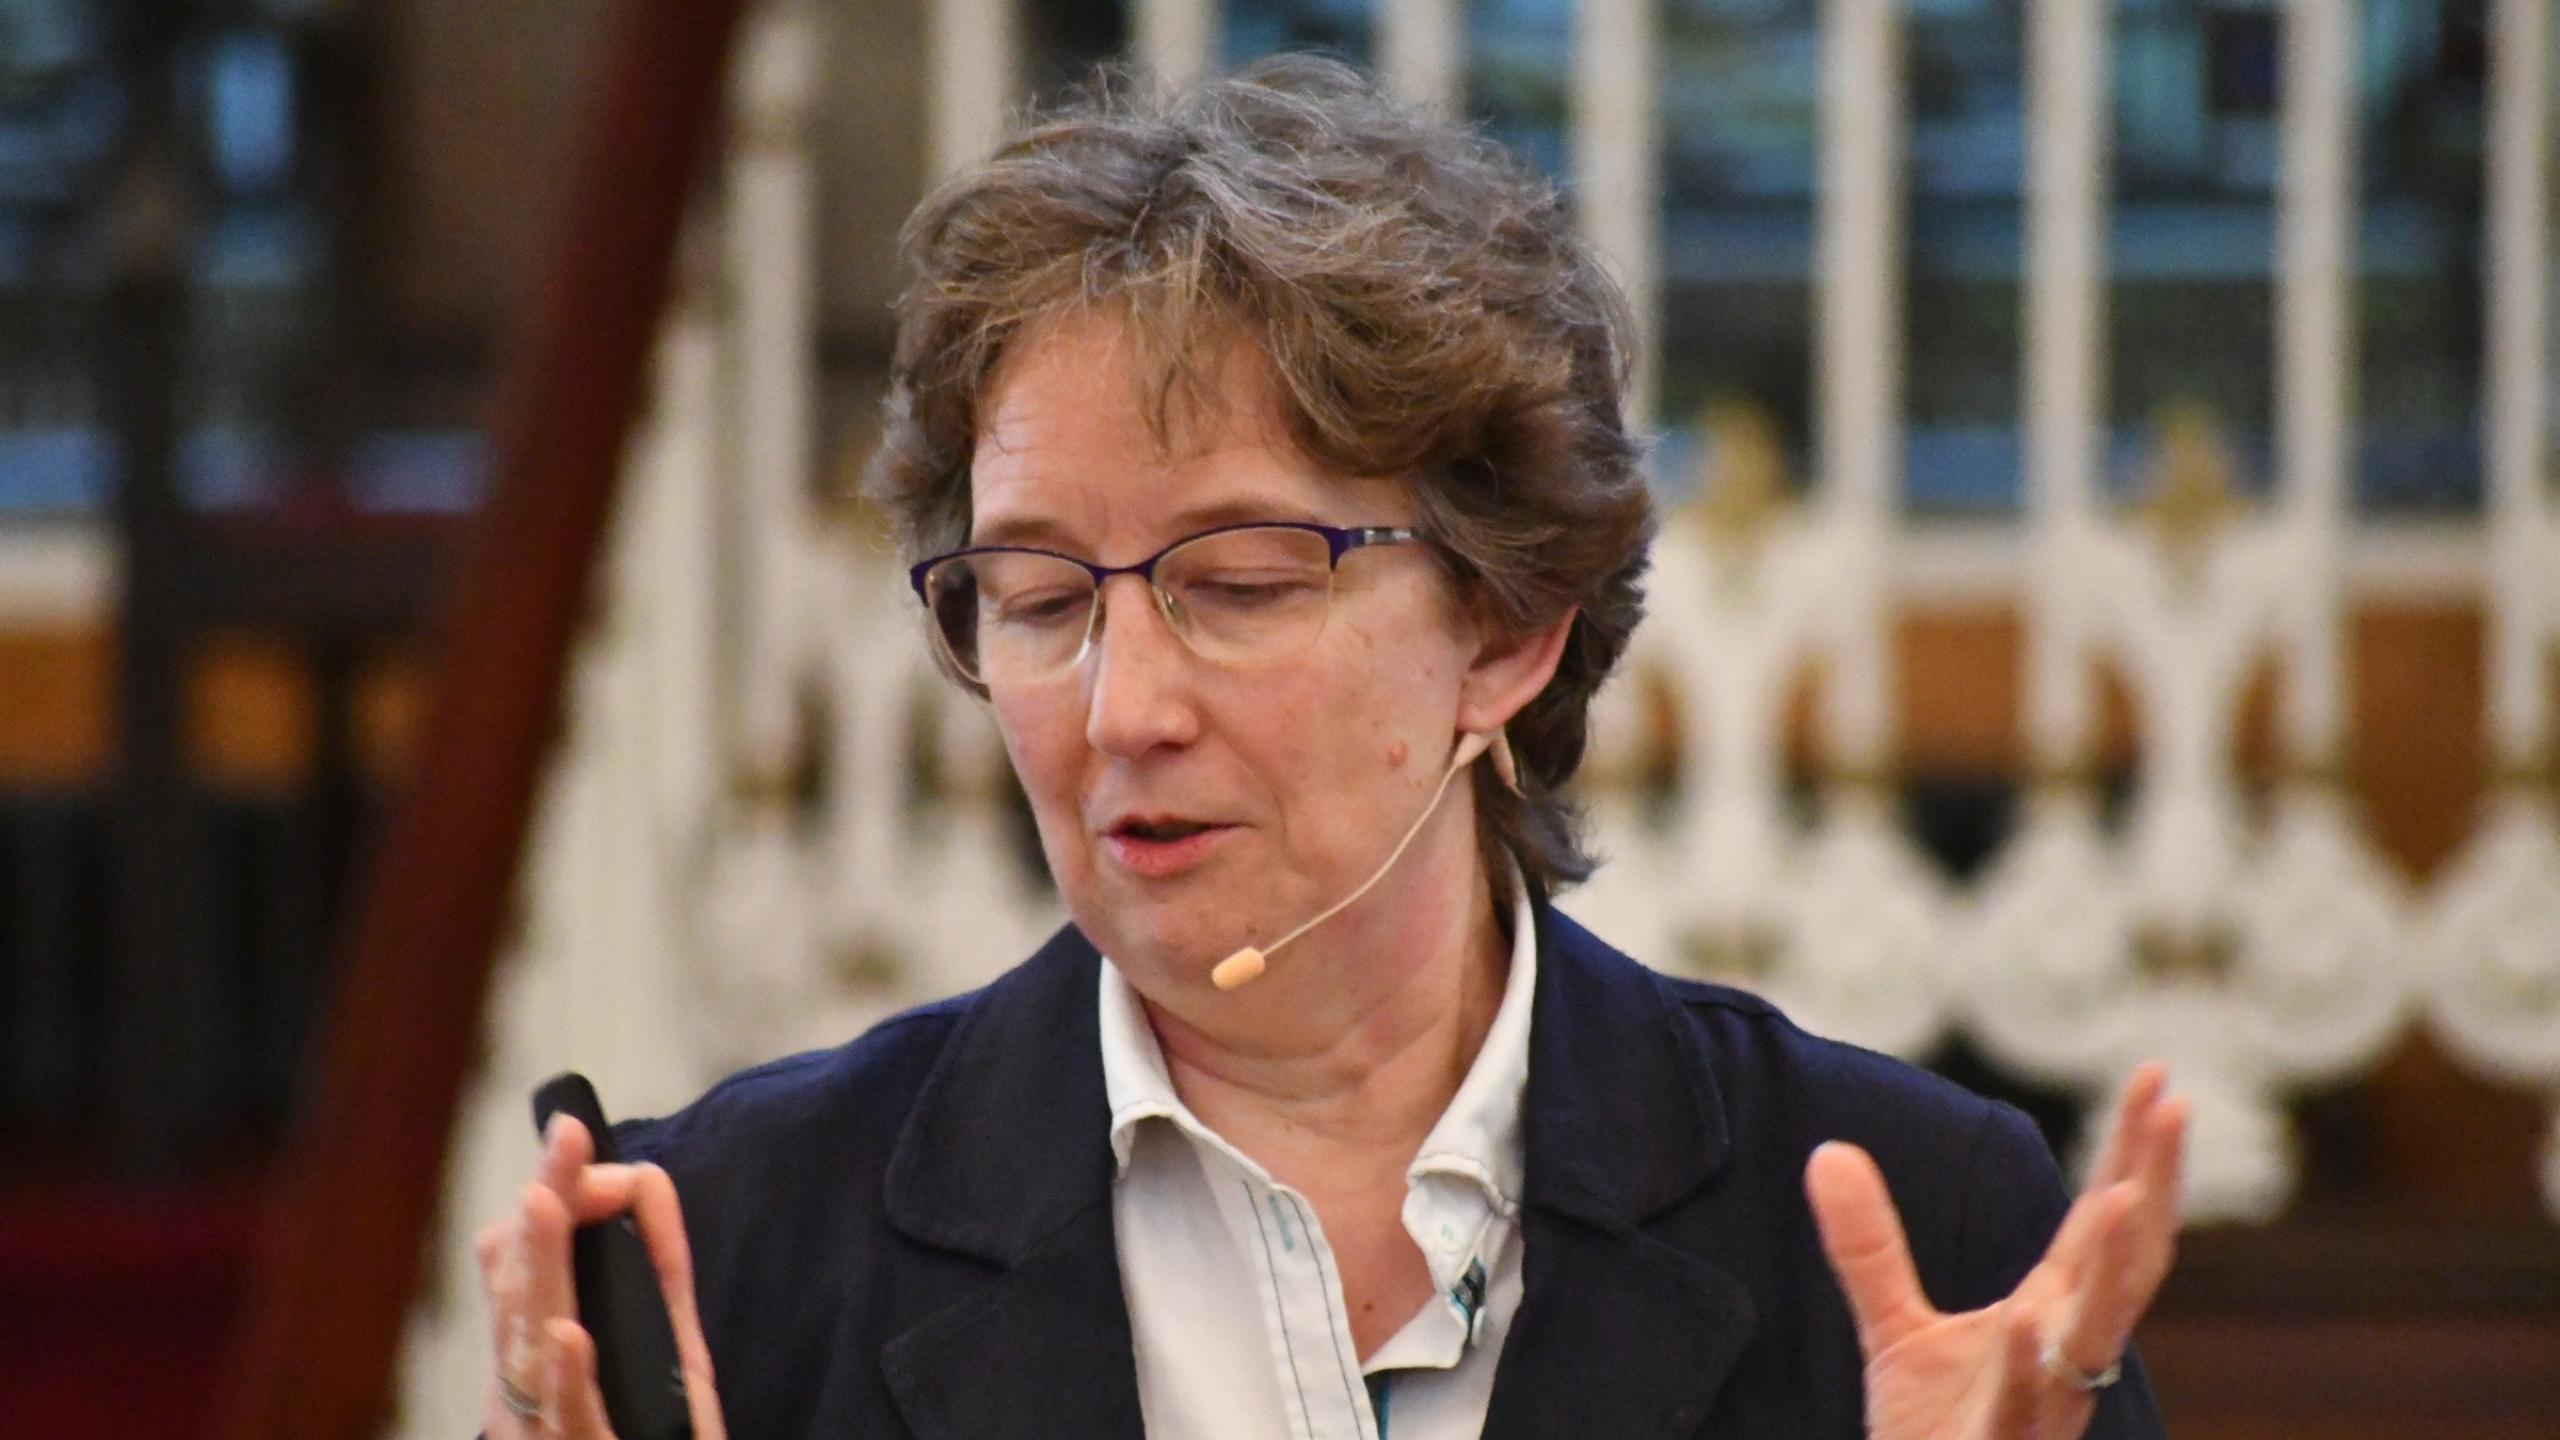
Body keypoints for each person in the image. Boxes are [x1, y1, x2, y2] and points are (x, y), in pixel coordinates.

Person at [473, 56, 2183, 1440]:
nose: (1122, 706)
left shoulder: (1912, 1227)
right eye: (1039, 596)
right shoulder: (740, 1250)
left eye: (1237, 581)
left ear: (1506, 630)